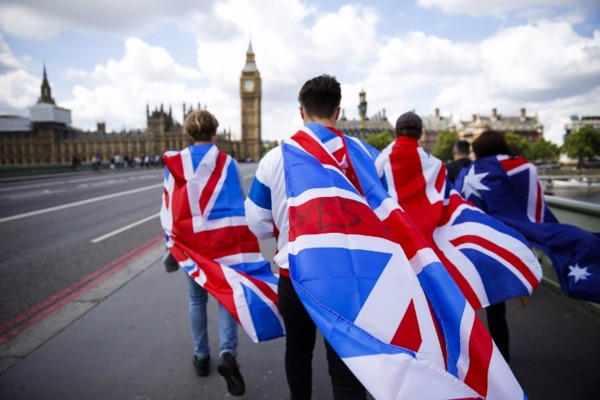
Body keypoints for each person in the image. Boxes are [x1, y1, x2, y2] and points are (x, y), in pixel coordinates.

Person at [245, 74, 367, 400]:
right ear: (338, 112)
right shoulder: (364, 155)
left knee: (298, 350)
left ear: (301, 111)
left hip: (296, 274)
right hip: (351, 275)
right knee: (346, 357)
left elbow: (256, 223)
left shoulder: (275, 158)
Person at [160, 109, 245, 396]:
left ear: (189, 134)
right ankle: (228, 354)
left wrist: (169, 245)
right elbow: (239, 204)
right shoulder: (228, 163)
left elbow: (169, 208)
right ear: (214, 133)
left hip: (192, 246)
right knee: (225, 298)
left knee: (196, 300)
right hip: (223, 243)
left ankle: (201, 357)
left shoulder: (176, 162)